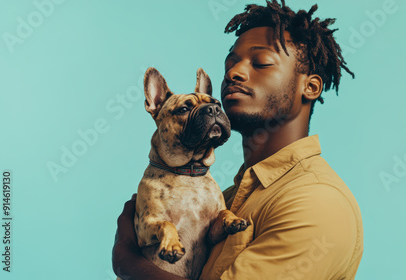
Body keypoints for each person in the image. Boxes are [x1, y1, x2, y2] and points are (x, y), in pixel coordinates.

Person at [112, 0, 363, 279]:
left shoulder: (315, 203)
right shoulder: (228, 197)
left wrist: (127, 261)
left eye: (261, 63)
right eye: (230, 64)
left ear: (311, 86)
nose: (234, 73)